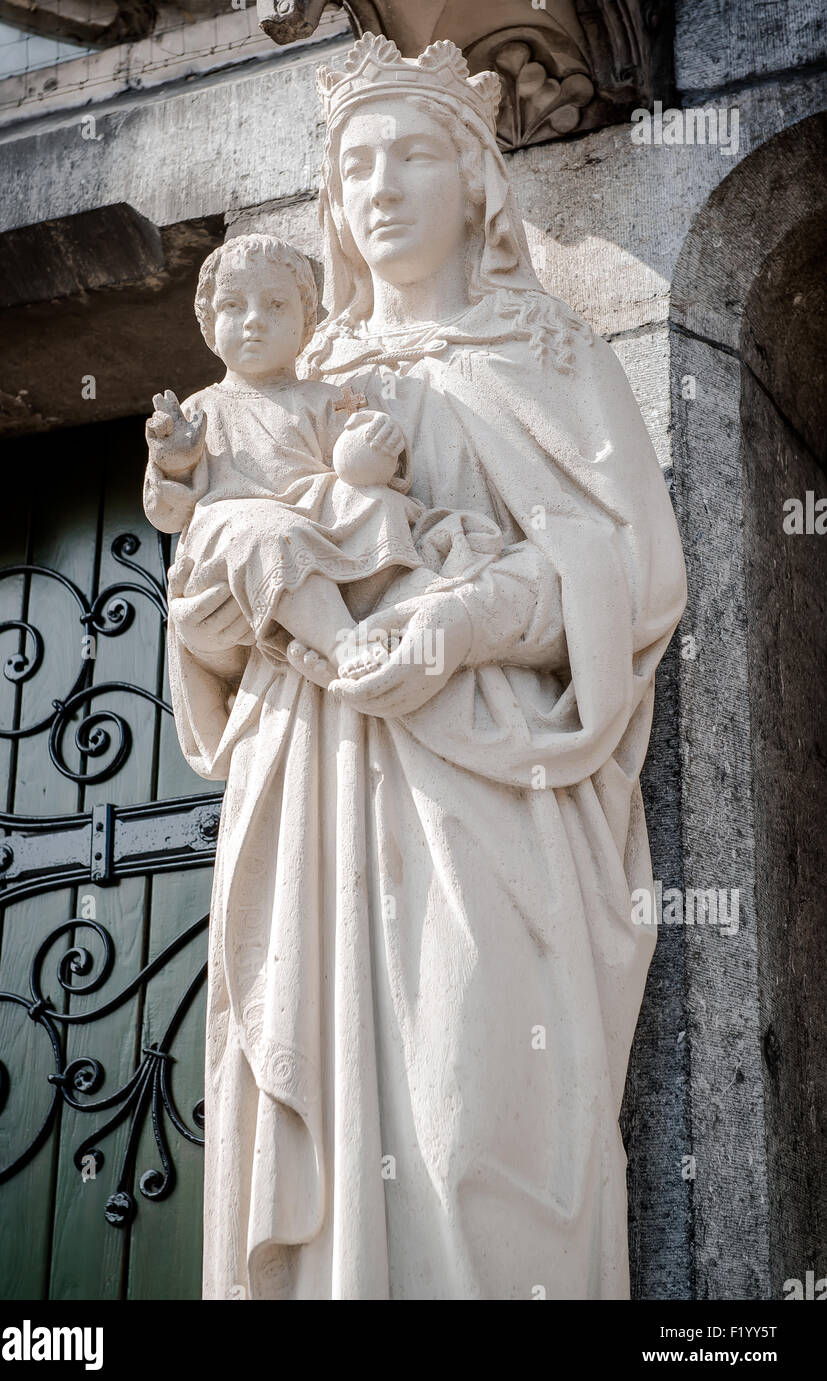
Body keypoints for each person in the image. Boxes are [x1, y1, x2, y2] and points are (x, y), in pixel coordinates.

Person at [163, 35, 688, 1300]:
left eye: (409, 157)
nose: (379, 187)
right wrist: (242, 566)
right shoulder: (294, 377)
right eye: (352, 167)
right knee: (316, 1105)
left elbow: (634, 573)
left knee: (475, 1119)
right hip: (309, 770)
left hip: (488, 781)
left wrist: (460, 623)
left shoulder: (549, 356)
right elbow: (207, 620)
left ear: (473, 182)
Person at [144, 233, 501, 685]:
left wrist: (375, 444)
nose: (254, 321)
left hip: (315, 520)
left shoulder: (329, 399)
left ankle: (387, 610)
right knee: (268, 533)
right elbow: (167, 516)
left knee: (380, 504)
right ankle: (340, 642)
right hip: (234, 538)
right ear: (209, 322)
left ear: (306, 324)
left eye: (275, 306)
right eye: (233, 306)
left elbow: (359, 469)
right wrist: (174, 461)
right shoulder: (199, 410)